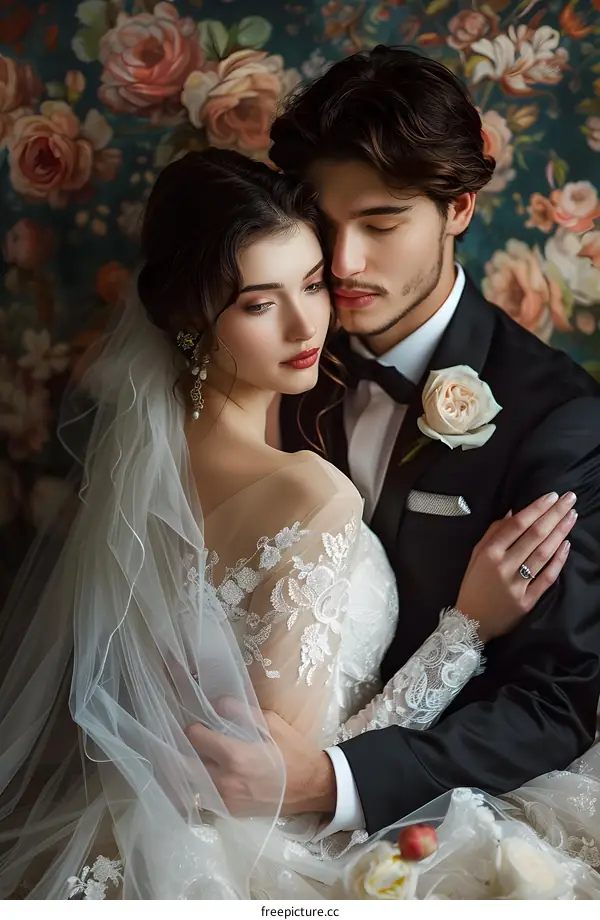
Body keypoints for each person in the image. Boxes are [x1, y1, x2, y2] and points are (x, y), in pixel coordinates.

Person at [0, 148, 578, 900]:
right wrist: (465, 629)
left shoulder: (135, 473)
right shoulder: (310, 493)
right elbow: (293, 776)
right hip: (267, 857)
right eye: (259, 302)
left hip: (144, 826)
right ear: (189, 319)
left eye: (311, 283)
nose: (309, 323)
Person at [188, 46, 600, 853]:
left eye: (381, 223)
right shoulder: (271, 353)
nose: (342, 266)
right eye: (324, 225)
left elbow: (558, 700)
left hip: (434, 815)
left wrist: (330, 782)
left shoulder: (560, 421)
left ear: (460, 209)